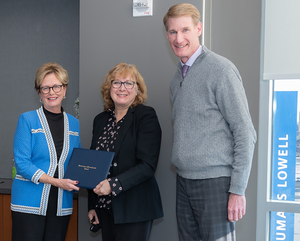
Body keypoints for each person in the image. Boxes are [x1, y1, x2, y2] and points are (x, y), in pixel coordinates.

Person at [163, 3, 257, 241]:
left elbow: (245, 132)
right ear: (167, 35)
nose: (179, 38)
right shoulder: (177, 79)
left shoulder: (221, 70)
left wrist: (237, 190)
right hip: (184, 181)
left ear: (199, 29)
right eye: (173, 32)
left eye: (185, 30)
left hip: (215, 183)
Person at [87, 63, 163, 241]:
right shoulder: (100, 120)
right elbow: (93, 165)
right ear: (109, 87)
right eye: (117, 83)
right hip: (104, 208)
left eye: (129, 83)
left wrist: (113, 184)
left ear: (137, 90)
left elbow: (147, 166)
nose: (122, 88)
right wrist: (93, 206)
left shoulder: (146, 116)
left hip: (134, 208)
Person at [11, 62, 81, 241]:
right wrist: (57, 182)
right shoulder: (27, 120)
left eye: (57, 86)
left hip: (60, 205)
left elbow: (77, 161)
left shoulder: (73, 123)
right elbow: (22, 164)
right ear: (39, 93)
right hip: (28, 204)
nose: (52, 92)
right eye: (45, 88)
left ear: (65, 90)